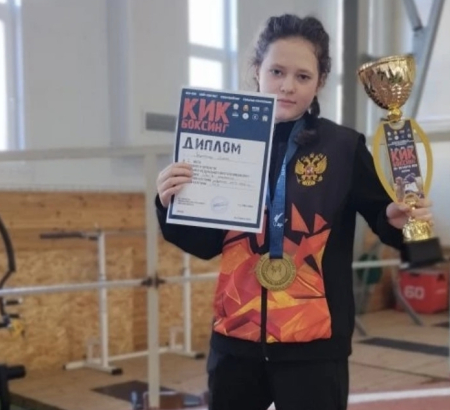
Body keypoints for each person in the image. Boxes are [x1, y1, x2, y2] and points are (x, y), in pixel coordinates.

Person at [155, 13, 434, 410]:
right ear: (257, 70)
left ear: (320, 81)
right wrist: (169, 202)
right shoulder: (224, 139)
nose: (287, 86)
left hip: (315, 350)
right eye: (277, 71)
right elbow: (205, 243)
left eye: (302, 76)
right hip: (236, 342)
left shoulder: (343, 147)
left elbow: (383, 214)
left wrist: (401, 223)